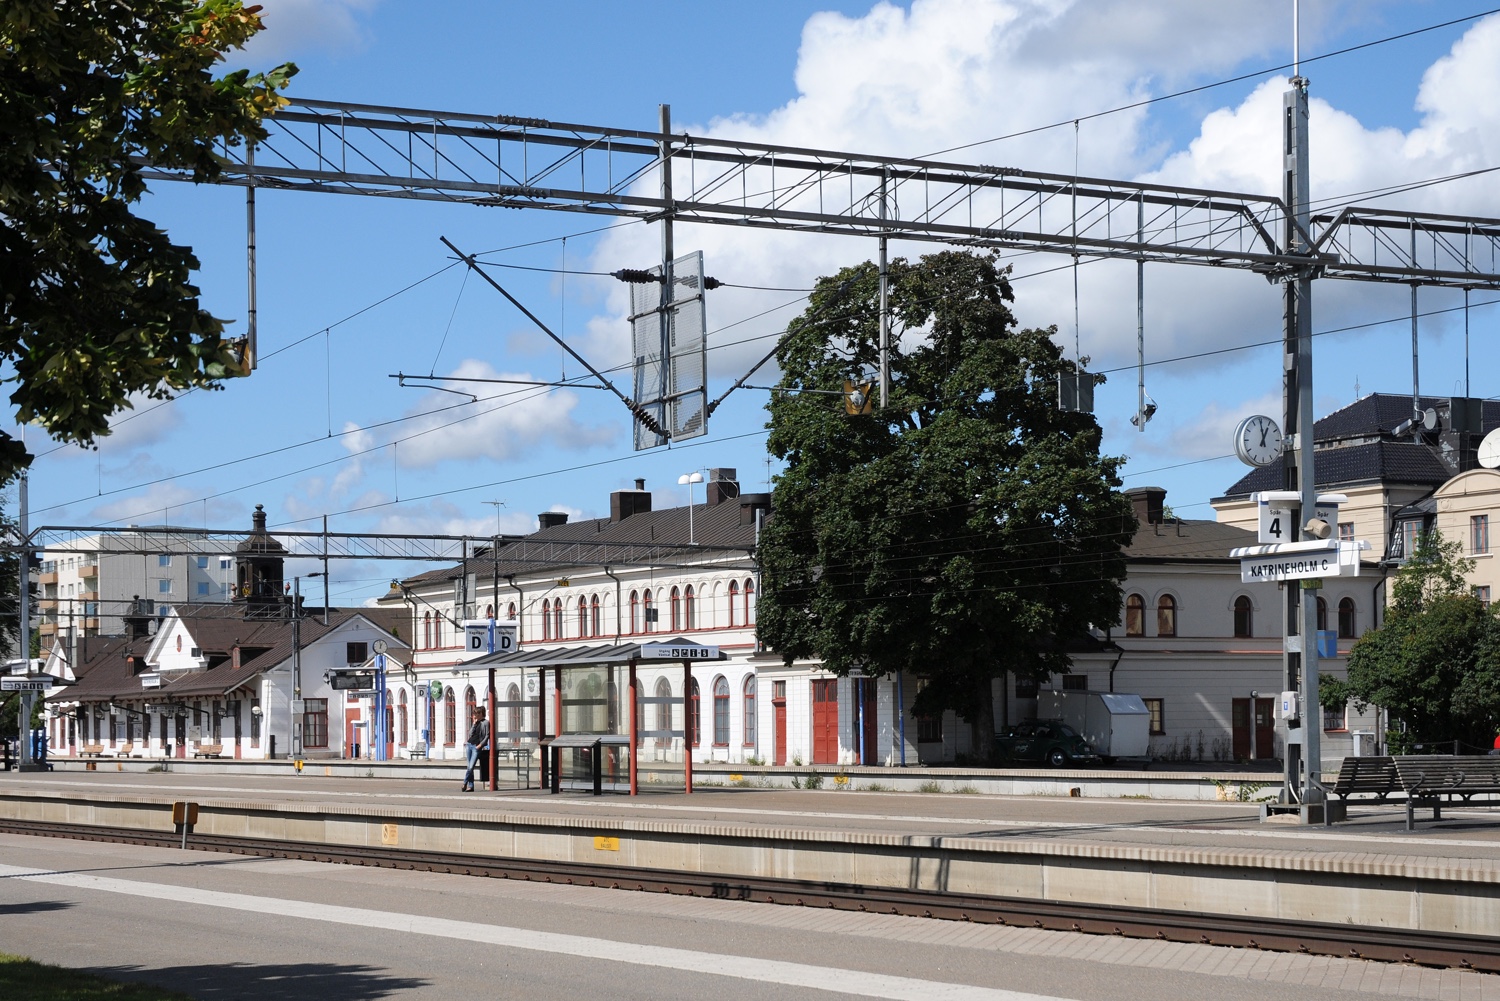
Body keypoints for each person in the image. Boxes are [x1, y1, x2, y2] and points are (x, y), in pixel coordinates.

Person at [461, 707, 489, 792]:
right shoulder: (476, 722)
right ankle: (471, 786)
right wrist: (474, 724)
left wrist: (480, 745)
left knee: (471, 767)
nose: (475, 716)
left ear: (481, 714)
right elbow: (470, 734)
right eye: (474, 714)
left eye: (476, 714)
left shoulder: (486, 723)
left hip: (477, 747)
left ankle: (465, 782)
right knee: (469, 766)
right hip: (469, 744)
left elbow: (487, 735)